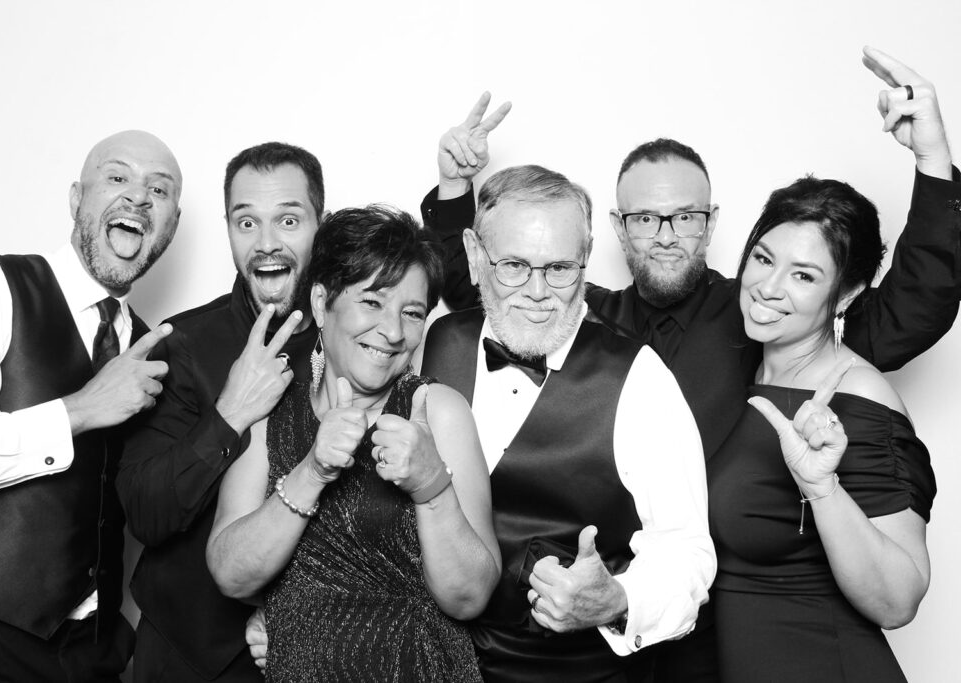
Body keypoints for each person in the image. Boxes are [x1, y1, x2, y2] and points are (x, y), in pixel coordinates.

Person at [421, 47, 960, 681]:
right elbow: (493, 292)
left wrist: (933, 160)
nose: (666, 234)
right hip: (610, 650)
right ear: (617, 229)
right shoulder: (577, 310)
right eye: (645, 218)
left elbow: (906, 312)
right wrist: (455, 190)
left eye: (685, 217)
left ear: (711, 224)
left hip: (716, 633)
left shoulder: (762, 315)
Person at [421, 165, 715, 682]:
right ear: (473, 255)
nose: (537, 291)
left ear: (586, 257)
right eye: (514, 265)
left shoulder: (639, 377)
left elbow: (687, 552)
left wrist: (617, 599)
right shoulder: (438, 340)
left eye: (559, 268)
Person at [207, 205, 500, 682]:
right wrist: (312, 472)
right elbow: (230, 575)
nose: (394, 331)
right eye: (372, 302)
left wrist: (431, 485)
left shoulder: (437, 411)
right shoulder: (270, 415)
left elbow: (470, 598)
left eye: (412, 313)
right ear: (321, 302)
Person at [0, 130, 181, 681]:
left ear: (170, 224)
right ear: (76, 199)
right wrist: (80, 409)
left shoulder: (152, 348)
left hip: (92, 655)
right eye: (117, 177)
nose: (138, 197)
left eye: (159, 190)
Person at [708, 175, 934, 682]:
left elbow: (898, 601)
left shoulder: (860, 396)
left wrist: (821, 486)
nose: (768, 287)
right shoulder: (740, 370)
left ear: (847, 293)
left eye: (804, 276)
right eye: (763, 258)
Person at [117, 142, 323, 681]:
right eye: (246, 222)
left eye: (288, 220)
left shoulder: (358, 339)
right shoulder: (181, 343)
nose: (267, 242)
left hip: (320, 648)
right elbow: (146, 514)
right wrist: (230, 413)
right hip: (188, 655)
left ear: (320, 226)